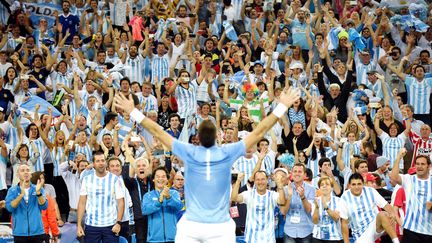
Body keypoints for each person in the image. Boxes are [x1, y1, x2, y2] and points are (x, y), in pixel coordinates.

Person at [113, 87, 301, 242]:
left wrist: (132, 111)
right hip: (221, 228)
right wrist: (282, 106)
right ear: (216, 138)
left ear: (198, 138)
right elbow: (260, 131)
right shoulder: (227, 152)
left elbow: (158, 131)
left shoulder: (189, 152)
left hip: (191, 227)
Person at [76, 151, 125, 242]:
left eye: (102, 160)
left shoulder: (114, 179)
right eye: (98, 161)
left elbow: (121, 202)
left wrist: (118, 222)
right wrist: (79, 225)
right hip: (91, 225)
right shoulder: (87, 179)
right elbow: (82, 203)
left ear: (106, 163)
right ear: (93, 164)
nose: (101, 163)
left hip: (111, 225)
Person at [339, 173, 400, 243]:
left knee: (383, 214)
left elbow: (386, 205)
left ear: (363, 184)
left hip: (374, 226)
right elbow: (344, 223)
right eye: (353, 184)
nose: (356, 187)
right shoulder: (345, 197)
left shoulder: (370, 191)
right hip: (360, 234)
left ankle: (396, 241)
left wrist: (392, 214)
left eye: (359, 184)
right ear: (349, 185)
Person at [390, 148, 432, 242]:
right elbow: (393, 177)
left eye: (423, 164)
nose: (419, 166)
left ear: (429, 166)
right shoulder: (408, 179)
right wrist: (398, 157)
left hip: (429, 232)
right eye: (417, 164)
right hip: (410, 229)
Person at [231, 171, 285, 242]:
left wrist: (280, 185)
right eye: (258, 179)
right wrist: (238, 181)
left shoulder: (272, 195)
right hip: (251, 239)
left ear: (267, 180)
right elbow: (234, 198)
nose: (260, 182)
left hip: (268, 239)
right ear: (255, 181)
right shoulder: (249, 194)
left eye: (262, 179)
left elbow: (282, 201)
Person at [5, 164, 48, 243]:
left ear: (31, 175)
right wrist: (21, 195)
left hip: (37, 233)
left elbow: (44, 206)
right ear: (17, 175)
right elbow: (9, 208)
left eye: (28, 170)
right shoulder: (12, 190)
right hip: (20, 233)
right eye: (22, 171)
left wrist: (38, 193)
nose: (26, 172)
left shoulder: (38, 188)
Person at [142, 167, 183, 243]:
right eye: (157, 176)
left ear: (167, 179)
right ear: (153, 179)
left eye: (163, 176)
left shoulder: (174, 193)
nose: (160, 178)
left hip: (173, 238)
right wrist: (159, 202)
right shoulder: (148, 196)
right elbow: (145, 210)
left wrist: (169, 197)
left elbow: (179, 206)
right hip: (154, 239)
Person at [280, 163, 316, 243]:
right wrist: (289, 196)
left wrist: (303, 197)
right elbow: (283, 212)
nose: (297, 173)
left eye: (300, 171)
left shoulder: (311, 189)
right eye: (295, 171)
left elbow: (309, 210)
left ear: (304, 175)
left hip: (306, 230)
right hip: (289, 230)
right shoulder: (285, 189)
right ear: (291, 173)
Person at [312, 176, 343, 243]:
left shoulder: (338, 201)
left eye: (327, 184)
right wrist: (317, 208)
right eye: (322, 185)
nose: (324, 186)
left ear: (332, 188)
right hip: (318, 237)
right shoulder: (315, 201)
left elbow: (336, 218)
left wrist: (325, 205)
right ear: (319, 188)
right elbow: (315, 221)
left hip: (335, 237)